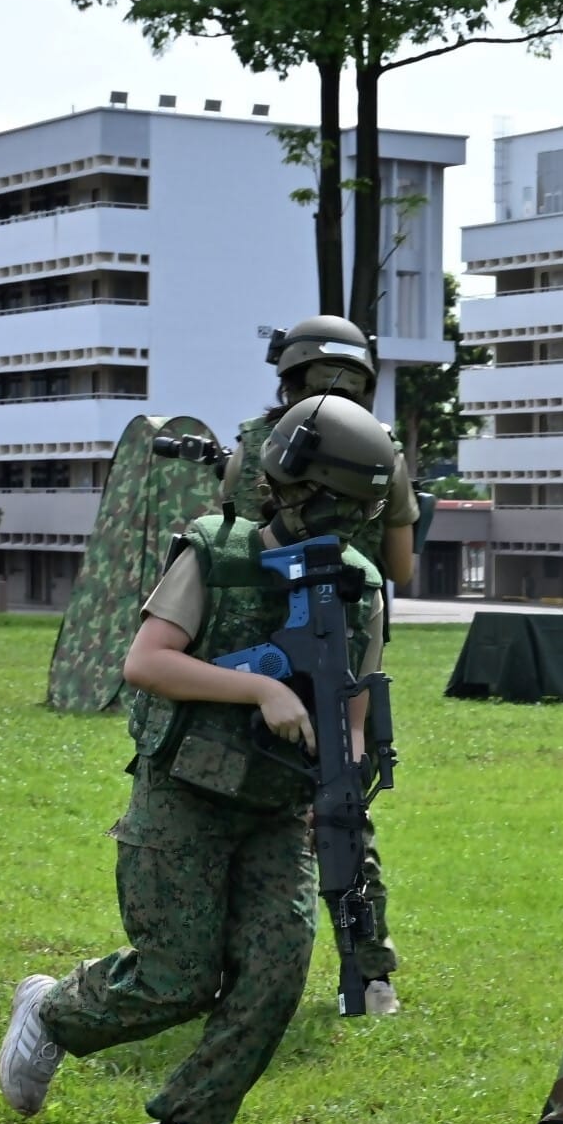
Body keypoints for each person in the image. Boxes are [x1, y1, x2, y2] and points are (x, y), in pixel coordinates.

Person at [0, 397, 398, 1124]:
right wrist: (261, 690)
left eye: (360, 509)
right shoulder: (216, 553)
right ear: (297, 485)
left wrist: (339, 785)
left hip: (279, 808)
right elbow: (146, 662)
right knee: (176, 977)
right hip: (187, 792)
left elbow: (356, 695)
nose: (348, 522)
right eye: (341, 503)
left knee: (278, 969)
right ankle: (50, 1012)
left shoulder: (358, 584)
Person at [224, 316, 418, 1014]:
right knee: (341, 805)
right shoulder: (384, 453)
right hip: (344, 644)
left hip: (248, 646)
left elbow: (225, 540)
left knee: (235, 797)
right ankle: (369, 974)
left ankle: (223, 964)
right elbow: (400, 565)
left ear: (288, 375)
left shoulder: (251, 446)